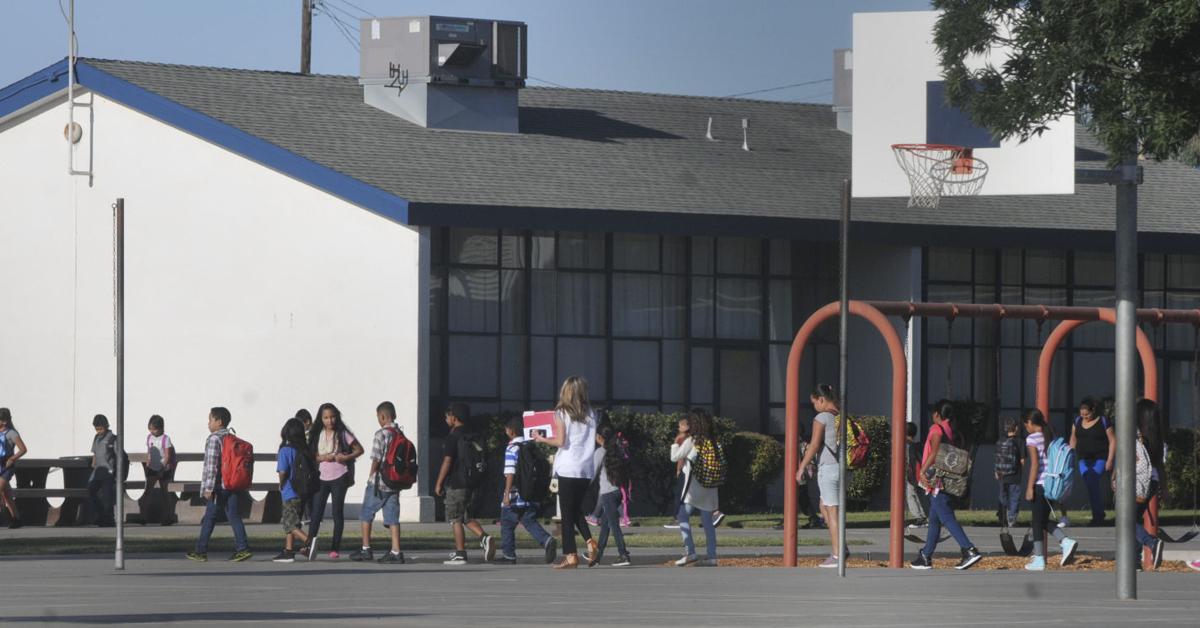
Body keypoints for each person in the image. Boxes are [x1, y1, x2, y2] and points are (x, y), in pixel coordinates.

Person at [533, 376, 599, 569]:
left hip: (568, 467)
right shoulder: (591, 413)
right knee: (576, 509)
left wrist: (541, 438)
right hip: (586, 468)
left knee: (567, 515)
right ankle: (589, 541)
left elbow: (561, 441)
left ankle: (571, 555)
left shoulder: (561, 412)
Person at [910, 400, 983, 570]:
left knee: (947, 517)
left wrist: (922, 471)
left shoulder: (936, 429)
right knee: (935, 520)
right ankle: (926, 556)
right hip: (947, 480)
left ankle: (969, 549)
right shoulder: (951, 430)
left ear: (937, 414)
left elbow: (934, 452)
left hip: (937, 481)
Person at [187, 407, 251, 562]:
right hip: (232, 484)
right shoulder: (230, 437)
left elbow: (211, 465)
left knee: (209, 517)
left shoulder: (214, 439)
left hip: (218, 486)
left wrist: (208, 487)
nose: (208, 423)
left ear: (219, 421)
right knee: (234, 516)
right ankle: (243, 548)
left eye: (210, 419)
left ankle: (201, 551)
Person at [434, 402, 495, 565]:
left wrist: (439, 483)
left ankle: (460, 553)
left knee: (455, 519)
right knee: (465, 515)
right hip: (471, 482)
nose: (446, 418)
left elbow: (447, 462)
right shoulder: (471, 434)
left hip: (456, 483)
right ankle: (484, 538)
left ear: (453, 418)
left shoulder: (453, 437)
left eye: (447, 415)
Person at [794, 383, 847, 568]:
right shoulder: (842, 415)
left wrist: (801, 466)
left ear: (822, 400)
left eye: (815, 402)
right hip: (842, 467)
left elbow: (815, 444)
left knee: (832, 510)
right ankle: (841, 547)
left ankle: (837, 554)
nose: (814, 406)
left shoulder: (821, 417)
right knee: (824, 505)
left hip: (829, 468)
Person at [303, 402, 363, 560]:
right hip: (322, 477)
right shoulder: (317, 435)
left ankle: (335, 548)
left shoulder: (343, 434)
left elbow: (359, 449)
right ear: (321, 419)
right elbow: (312, 456)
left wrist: (346, 457)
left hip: (340, 477)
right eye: (326, 418)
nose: (330, 421)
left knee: (337, 513)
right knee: (316, 513)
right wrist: (324, 457)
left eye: (332, 417)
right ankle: (310, 545)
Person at [1022, 408, 1079, 571]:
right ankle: (1065, 542)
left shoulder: (1032, 439)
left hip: (1040, 483)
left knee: (1037, 522)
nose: (1026, 427)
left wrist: (1029, 487)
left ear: (1030, 423)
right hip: (1054, 483)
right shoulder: (1051, 434)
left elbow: (1034, 465)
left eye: (1026, 424)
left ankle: (1040, 559)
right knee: (1042, 520)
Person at [349, 401, 407, 565]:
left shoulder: (380, 434)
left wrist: (371, 476)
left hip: (379, 482)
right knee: (393, 518)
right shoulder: (400, 434)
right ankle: (396, 551)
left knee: (366, 514)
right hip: (395, 483)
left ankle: (366, 548)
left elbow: (376, 458)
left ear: (382, 416)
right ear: (393, 415)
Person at [496, 416, 557, 565]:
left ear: (510, 431)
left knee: (506, 522)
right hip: (528, 493)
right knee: (528, 520)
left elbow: (510, 472)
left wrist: (506, 494)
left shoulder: (512, 448)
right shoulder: (529, 446)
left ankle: (508, 555)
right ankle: (546, 540)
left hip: (515, 494)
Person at [671, 408, 719, 567]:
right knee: (707, 522)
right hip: (710, 487)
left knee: (682, 516)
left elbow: (675, 457)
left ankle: (690, 551)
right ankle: (712, 556)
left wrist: (676, 442)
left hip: (693, 488)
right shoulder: (713, 441)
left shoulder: (692, 440)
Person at [1069, 397, 1115, 526]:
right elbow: (1073, 439)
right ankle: (1099, 513)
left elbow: (1112, 440)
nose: (1084, 417)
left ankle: (1098, 515)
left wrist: (1110, 459)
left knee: (1092, 479)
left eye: (1087, 414)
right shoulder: (1077, 421)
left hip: (1100, 458)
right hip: (1083, 458)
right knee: (1090, 484)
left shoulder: (1103, 421)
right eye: (1082, 414)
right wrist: (1070, 455)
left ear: (1093, 410)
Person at [1132, 399, 1166, 570]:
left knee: (1128, 521)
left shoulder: (1136, 434)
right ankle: (1135, 561)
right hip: (1152, 481)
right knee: (1135, 519)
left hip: (1137, 482)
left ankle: (1151, 543)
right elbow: (1160, 463)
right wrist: (1164, 488)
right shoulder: (1156, 435)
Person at [591, 423, 632, 567]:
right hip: (617, 491)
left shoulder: (600, 452)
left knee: (614, 525)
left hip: (607, 494)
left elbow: (592, 473)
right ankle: (597, 555)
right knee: (605, 525)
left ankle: (623, 554)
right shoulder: (617, 450)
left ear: (600, 437)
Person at [273, 417, 312, 563]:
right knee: (293, 521)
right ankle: (288, 551)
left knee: (289, 523)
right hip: (302, 491)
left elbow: (282, 471)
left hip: (289, 491)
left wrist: (281, 484)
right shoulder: (303, 449)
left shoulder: (285, 450)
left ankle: (308, 541)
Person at [143, 414, 176, 525]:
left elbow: (167, 455)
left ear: (161, 428)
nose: (152, 431)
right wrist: (148, 462)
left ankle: (168, 516)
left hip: (163, 468)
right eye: (150, 429)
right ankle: (143, 515)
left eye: (154, 429)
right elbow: (149, 451)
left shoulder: (166, 439)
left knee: (165, 492)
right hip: (152, 467)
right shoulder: (149, 437)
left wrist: (162, 468)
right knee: (148, 491)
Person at [88, 414, 118, 527]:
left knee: (107, 496)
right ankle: (101, 515)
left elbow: (118, 455)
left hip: (108, 472)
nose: (99, 431)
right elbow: (95, 453)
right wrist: (93, 463)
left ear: (106, 426)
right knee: (91, 491)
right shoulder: (96, 438)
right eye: (97, 429)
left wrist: (116, 471)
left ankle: (109, 518)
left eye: (101, 428)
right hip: (98, 471)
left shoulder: (112, 439)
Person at [0, 408, 28, 528]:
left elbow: (23, 449)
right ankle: (16, 519)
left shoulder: (11, 433)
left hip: (6, 466)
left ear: (4, 421)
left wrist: (12, 459)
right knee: (7, 495)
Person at [995, 416, 1024, 528]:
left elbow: (997, 457)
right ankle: (1011, 518)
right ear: (1016, 428)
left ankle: (1003, 515)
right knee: (1014, 496)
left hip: (1002, 473)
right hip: (1015, 474)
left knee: (1003, 495)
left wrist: (996, 471)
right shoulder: (1020, 441)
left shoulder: (1000, 441)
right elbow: (1022, 460)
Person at [905, 421, 927, 528]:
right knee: (919, 495)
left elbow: (907, 462)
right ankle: (924, 516)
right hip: (919, 475)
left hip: (912, 475)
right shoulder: (917, 445)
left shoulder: (907, 446)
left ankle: (919, 517)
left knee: (911, 496)